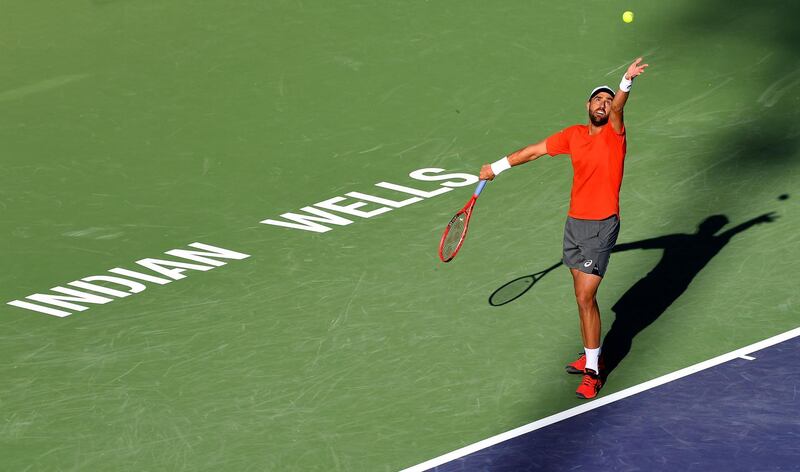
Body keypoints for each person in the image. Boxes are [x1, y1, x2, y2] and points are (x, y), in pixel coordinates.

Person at [479, 58, 649, 399]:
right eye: (597, 100)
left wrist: (625, 82)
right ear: (587, 106)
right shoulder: (572, 135)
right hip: (574, 225)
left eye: (607, 100)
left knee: (587, 297)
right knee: (580, 297)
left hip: (603, 225)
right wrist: (497, 167)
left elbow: (618, 105)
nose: (603, 104)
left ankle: (592, 371)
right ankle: (591, 353)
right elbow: (535, 151)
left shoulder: (615, 133)